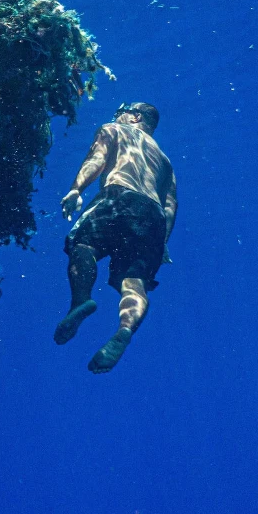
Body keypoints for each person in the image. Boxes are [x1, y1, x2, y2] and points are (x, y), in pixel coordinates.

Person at [55, 102, 177, 373]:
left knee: (83, 245)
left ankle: (81, 300)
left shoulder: (114, 130)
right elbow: (170, 206)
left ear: (135, 116)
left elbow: (96, 159)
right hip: (152, 217)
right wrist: (163, 241)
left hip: (118, 196)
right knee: (134, 282)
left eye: (121, 109)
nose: (116, 114)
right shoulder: (165, 163)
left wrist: (76, 189)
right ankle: (124, 331)